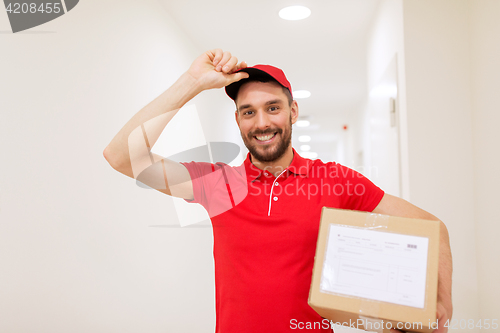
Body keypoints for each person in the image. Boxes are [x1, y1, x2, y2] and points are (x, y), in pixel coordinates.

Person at [103, 49, 452, 333]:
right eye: (248, 112)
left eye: (273, 108)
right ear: (238, 121)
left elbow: (431, 229)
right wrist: (192, 83)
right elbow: (121, 156)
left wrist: (439, 306)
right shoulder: (218, 185)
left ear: (293, 111)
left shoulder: (334, 179)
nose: (262, 123)